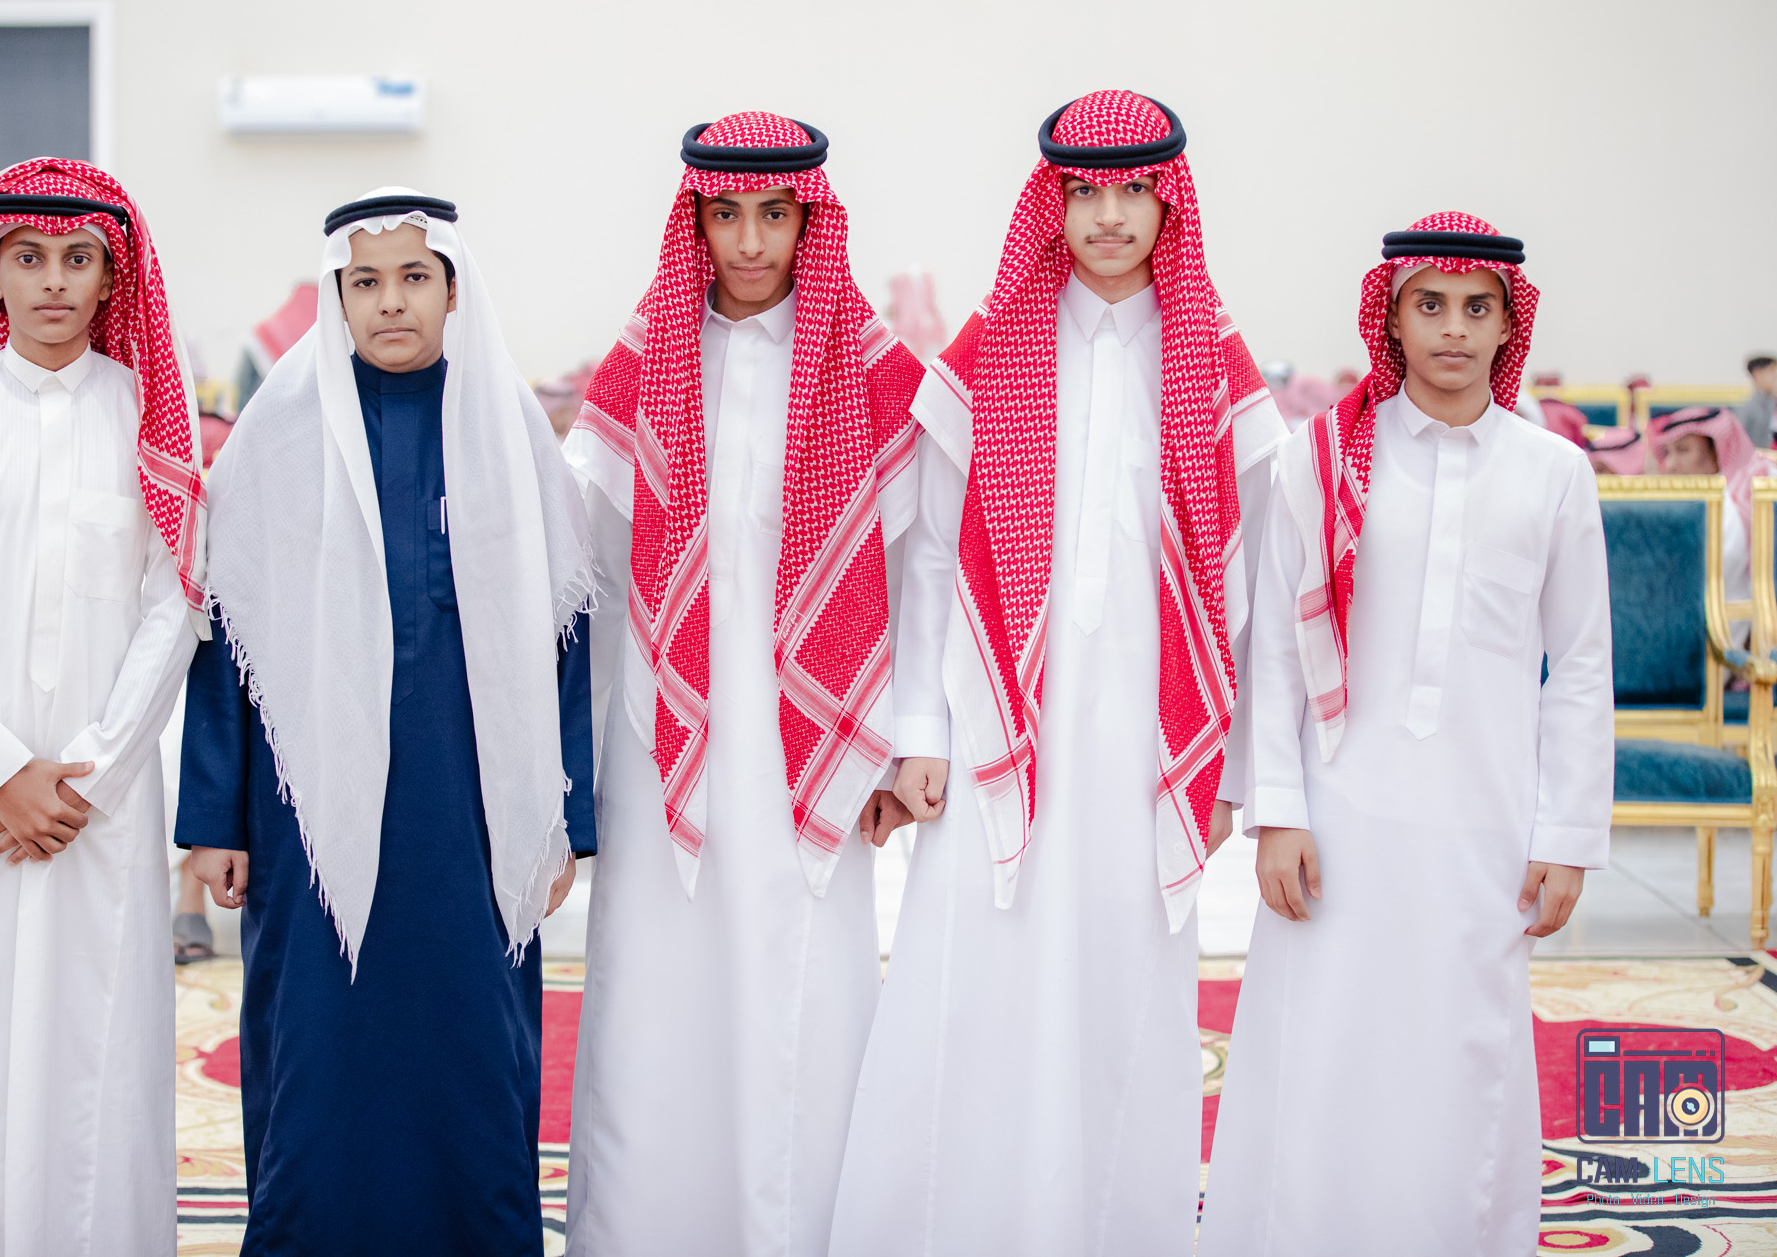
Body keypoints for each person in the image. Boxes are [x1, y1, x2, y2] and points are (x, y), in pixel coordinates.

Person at [828, 90, 1284, 1255]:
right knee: (973, 973)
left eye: (1133, 190)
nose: (1109, 216)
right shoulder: (986, 353)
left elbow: (1252, 585)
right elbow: (929, 560)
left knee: (1119, 985)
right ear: (1052, 202)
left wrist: (1234, 770)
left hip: (1146, 734)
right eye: (1084, 191)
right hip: (992, 725)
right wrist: (919, 731)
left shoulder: (1213, 364)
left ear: (1169, 203)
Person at [177, 188, 593, 1254]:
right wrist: (213, 819)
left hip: (472, 808)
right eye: (365, 282)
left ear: (453, 290)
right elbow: (228, 635)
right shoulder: (277, 433)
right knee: (317, 1044)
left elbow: (566, 630)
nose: (391, 302)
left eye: (414, 277)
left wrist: (567, 819)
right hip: (306, 814)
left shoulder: (507, 430)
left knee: (471, 1041)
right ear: (338, 296)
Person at [1196, 215, 1611, 1255]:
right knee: (1322, 1043)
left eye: (1476, 308)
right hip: (1339, 815)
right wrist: (1277, 810)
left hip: (1483, 822)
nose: (1453, 329)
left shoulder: (1552, 473)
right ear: (1390, 319)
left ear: (1508, 324)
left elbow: (1579, 668)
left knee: (1461, 1051)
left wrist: (1566, 834)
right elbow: (1274, 650)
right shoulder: (1320, 458)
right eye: (1429, 305)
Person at [562, 114, 923, 1256]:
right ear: (696, 222)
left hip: (818, 741)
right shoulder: (647, 358)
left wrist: (897, 740)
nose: (751, 241)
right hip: (662, 735)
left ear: (810, 220)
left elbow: (921, 568)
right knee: (657, 992)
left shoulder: (875, 371)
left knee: (800, 993)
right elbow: (585, 561)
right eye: (726, 214)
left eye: (774, 214)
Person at [0, 158, 205, 1256]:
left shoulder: (148, 418)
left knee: (99, 1047)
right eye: (29, 258)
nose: (54, 280)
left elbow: (175, 603)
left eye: (77, 258)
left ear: (113, 279)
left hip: (100, 798)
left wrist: (90, 772)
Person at [1653, 404, 1774, 641]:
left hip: (1723, 640)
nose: (1670, 465)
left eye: (1683, 450)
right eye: (1667, 453)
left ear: (1718, 451)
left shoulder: (1736, 502)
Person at [1736, 355, 1777, 449]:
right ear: (1758, 373)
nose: (1775, 376)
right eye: (1771, 371)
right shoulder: (1746, 406)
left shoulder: (1773, 402)